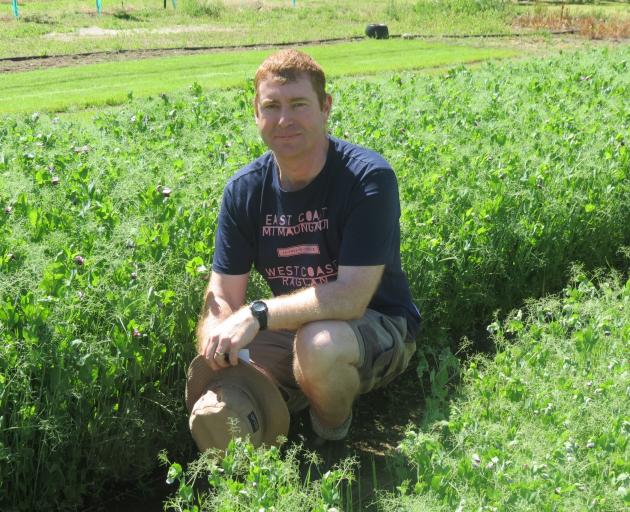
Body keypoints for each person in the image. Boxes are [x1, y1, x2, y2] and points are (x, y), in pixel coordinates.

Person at [194, 48, 420, 448]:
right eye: (272, 106)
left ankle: (330, 439)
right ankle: (256, 449)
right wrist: (215, 342)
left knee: (317, 347)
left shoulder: (367, 178)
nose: (284, 119)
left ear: (325, 107)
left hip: (380, 323)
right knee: (221, 364)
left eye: (298, 104)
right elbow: (222, 296)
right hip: (295, 325)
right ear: (256, 112)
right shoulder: (244, 191)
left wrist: (257, 314)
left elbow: (351, 298)